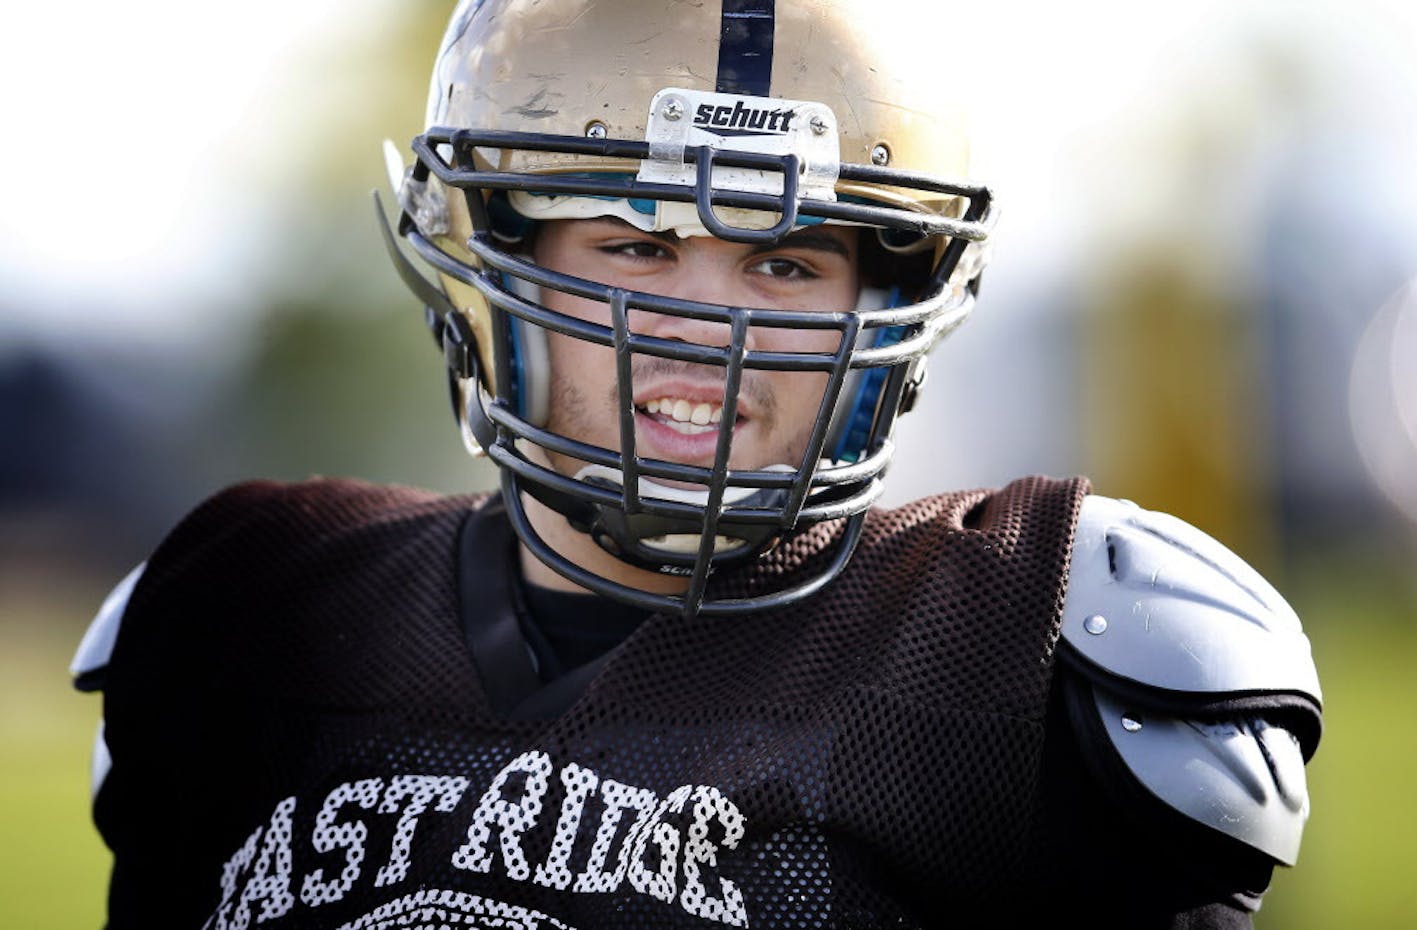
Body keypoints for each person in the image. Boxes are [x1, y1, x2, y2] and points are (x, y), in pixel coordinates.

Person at [72, 1, 1323, 927]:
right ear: (494, 261)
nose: (706, 330)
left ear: (886, 309)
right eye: (634, 243)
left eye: (785, 264)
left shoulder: (1030, 651)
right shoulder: (256, 617)